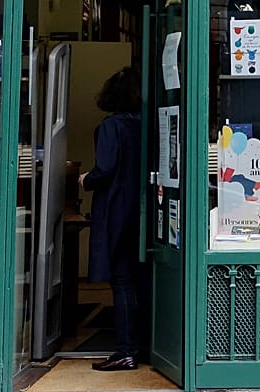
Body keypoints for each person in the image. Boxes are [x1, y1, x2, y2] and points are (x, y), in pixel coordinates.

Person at [79, 67, 146, 372]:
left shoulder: (111, 127)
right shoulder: (146, 125)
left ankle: (125, 350)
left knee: (120, 281)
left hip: (117, 209)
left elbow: (105, 169)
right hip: (142, 210)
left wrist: (85, 181)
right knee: (136, 280)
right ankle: (141, 344)